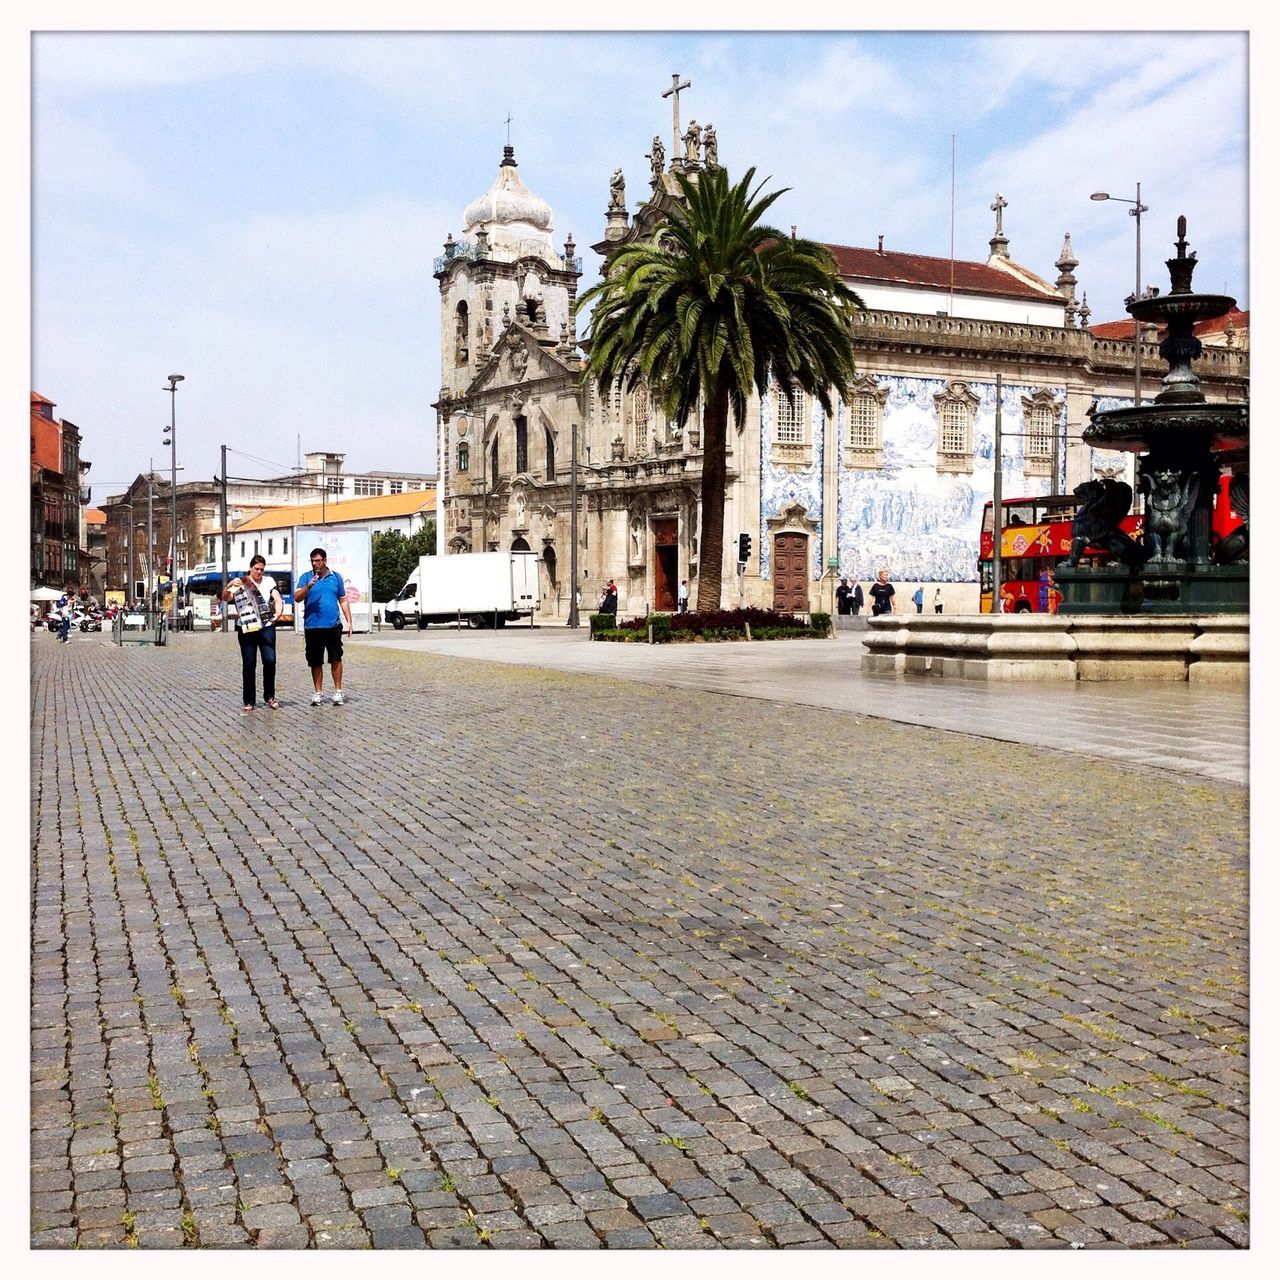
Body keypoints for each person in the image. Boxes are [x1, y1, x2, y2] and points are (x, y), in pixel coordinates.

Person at [223, 555, 283, 713]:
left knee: (270, 661)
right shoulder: (241, 581)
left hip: (266, 626)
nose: (259, 572)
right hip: (247, 627)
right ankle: (249, 700)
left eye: (262, 569)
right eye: (257, 569)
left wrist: (278, 613)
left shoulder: (269, 581)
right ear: (251, 568)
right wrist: (230, 584)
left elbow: (277, 598)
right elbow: (225, 597)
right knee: (249, 664)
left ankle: (270, 696)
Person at [294, 547, 353, 706]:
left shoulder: (336, 577)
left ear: (325, 561)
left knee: (336, 658)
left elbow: (343, 600)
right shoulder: (306, 577)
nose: (314, 564)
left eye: (317, 561)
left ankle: (338, 692)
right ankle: (318, 693)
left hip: (332, 626)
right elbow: (297, 597)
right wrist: (308, 586)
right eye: (312, 561)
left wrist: (349, 621)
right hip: (312, 626)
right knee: (315, 661)